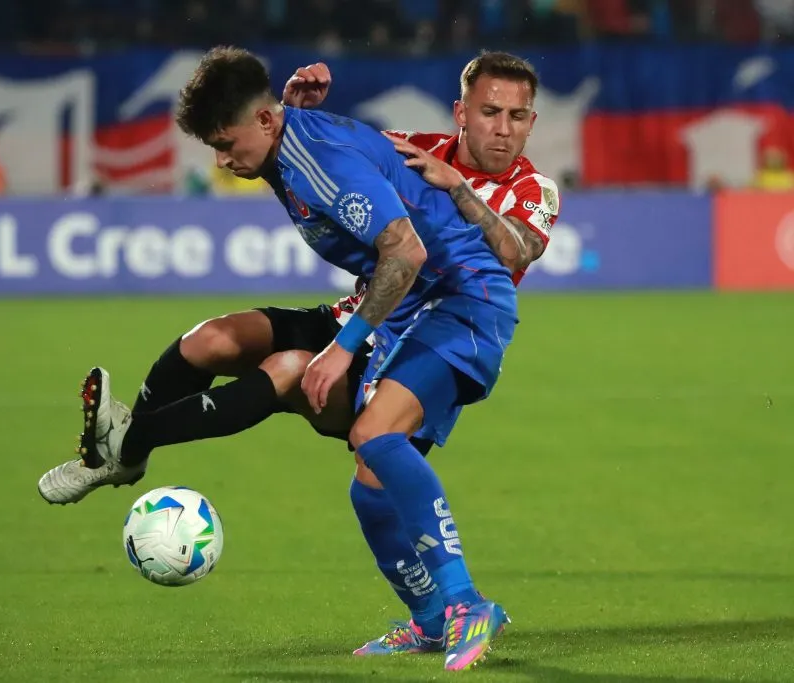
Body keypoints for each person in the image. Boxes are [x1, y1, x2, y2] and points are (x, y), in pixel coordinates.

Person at [40, 46, 533, 671]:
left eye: (226, 142)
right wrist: (291, 116)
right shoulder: (281, 143)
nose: (222, 160)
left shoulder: (315, 157)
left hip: (462, 300)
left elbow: (404, 253)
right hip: (412, 308)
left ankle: (466, 603)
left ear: (265, 122)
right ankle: (432, 619)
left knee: (374, 436)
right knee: (360, 477)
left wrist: (340, 348)